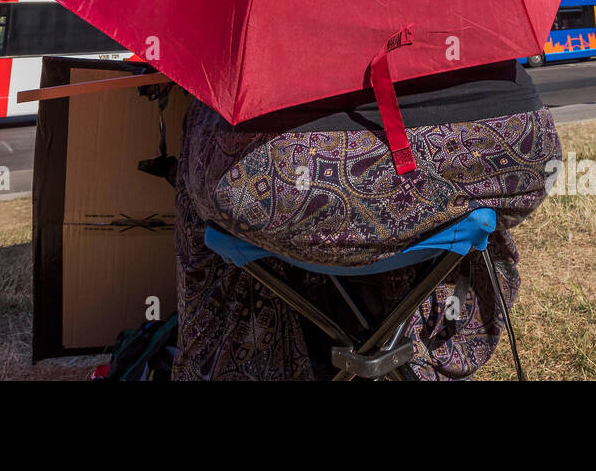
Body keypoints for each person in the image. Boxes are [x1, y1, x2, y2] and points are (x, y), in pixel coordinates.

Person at [173, 59, 560, 380]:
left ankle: (248, 353)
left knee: (202, 140)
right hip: (511, 142)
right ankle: (412, 321)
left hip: (289, 174)